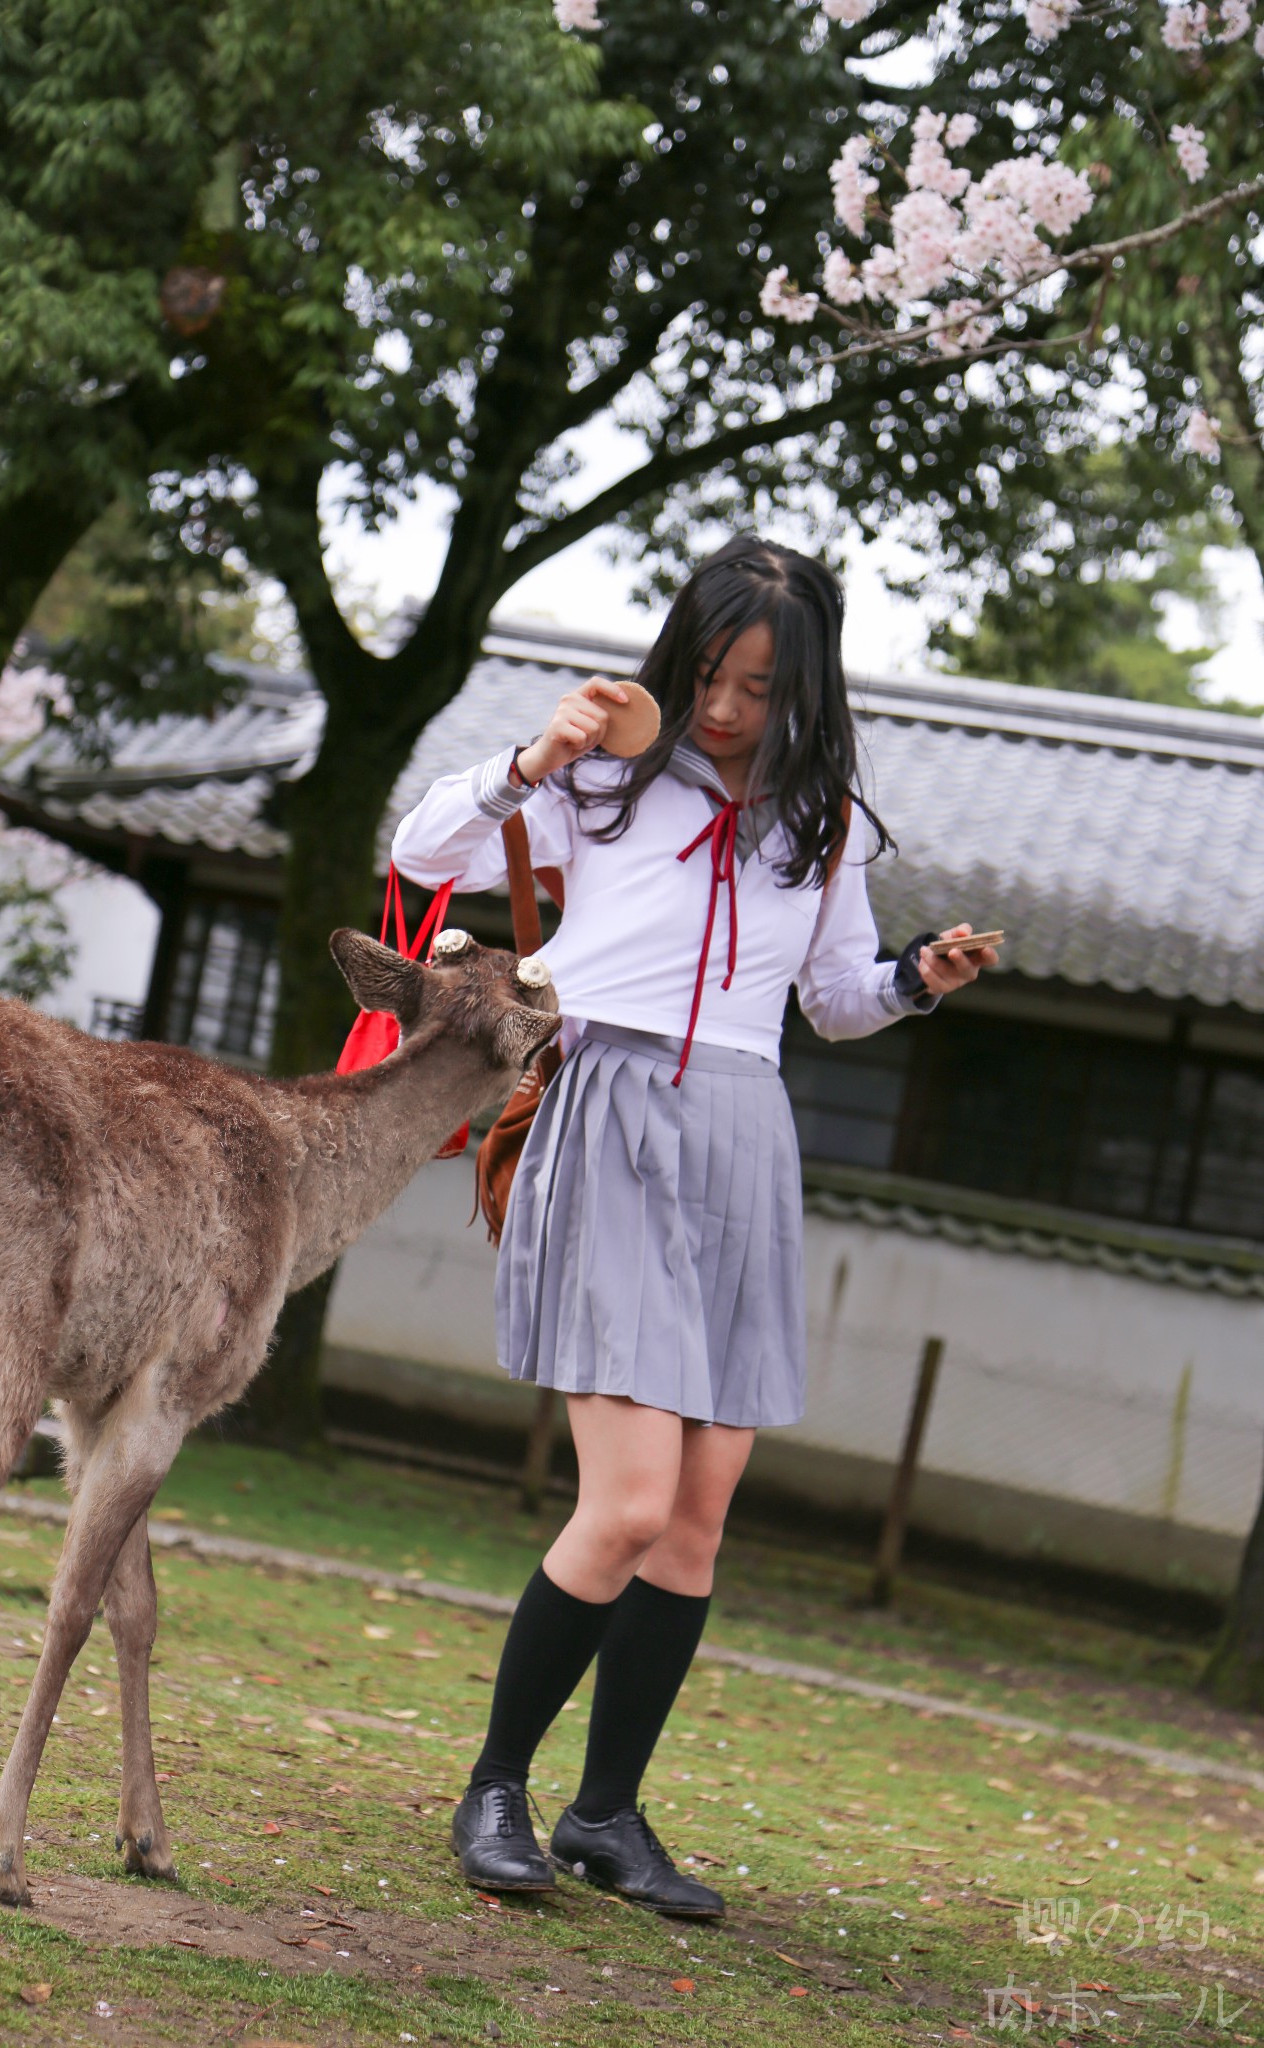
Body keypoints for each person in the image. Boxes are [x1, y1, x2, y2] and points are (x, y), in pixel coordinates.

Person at [390, 536, 997, 1917]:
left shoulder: (821, 818)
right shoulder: (603, 778)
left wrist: (916, 978)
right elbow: (420, 851)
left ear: (805, 691)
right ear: (685, 657)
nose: (725, 710)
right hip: (608, 1107)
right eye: (714, 676)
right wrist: (533, 757)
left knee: (697, 1518)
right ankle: (494, 1788)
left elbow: (832, 997)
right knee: (628, 1501)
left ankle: (605, 1814)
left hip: (742, 1126)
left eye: (759, 687)